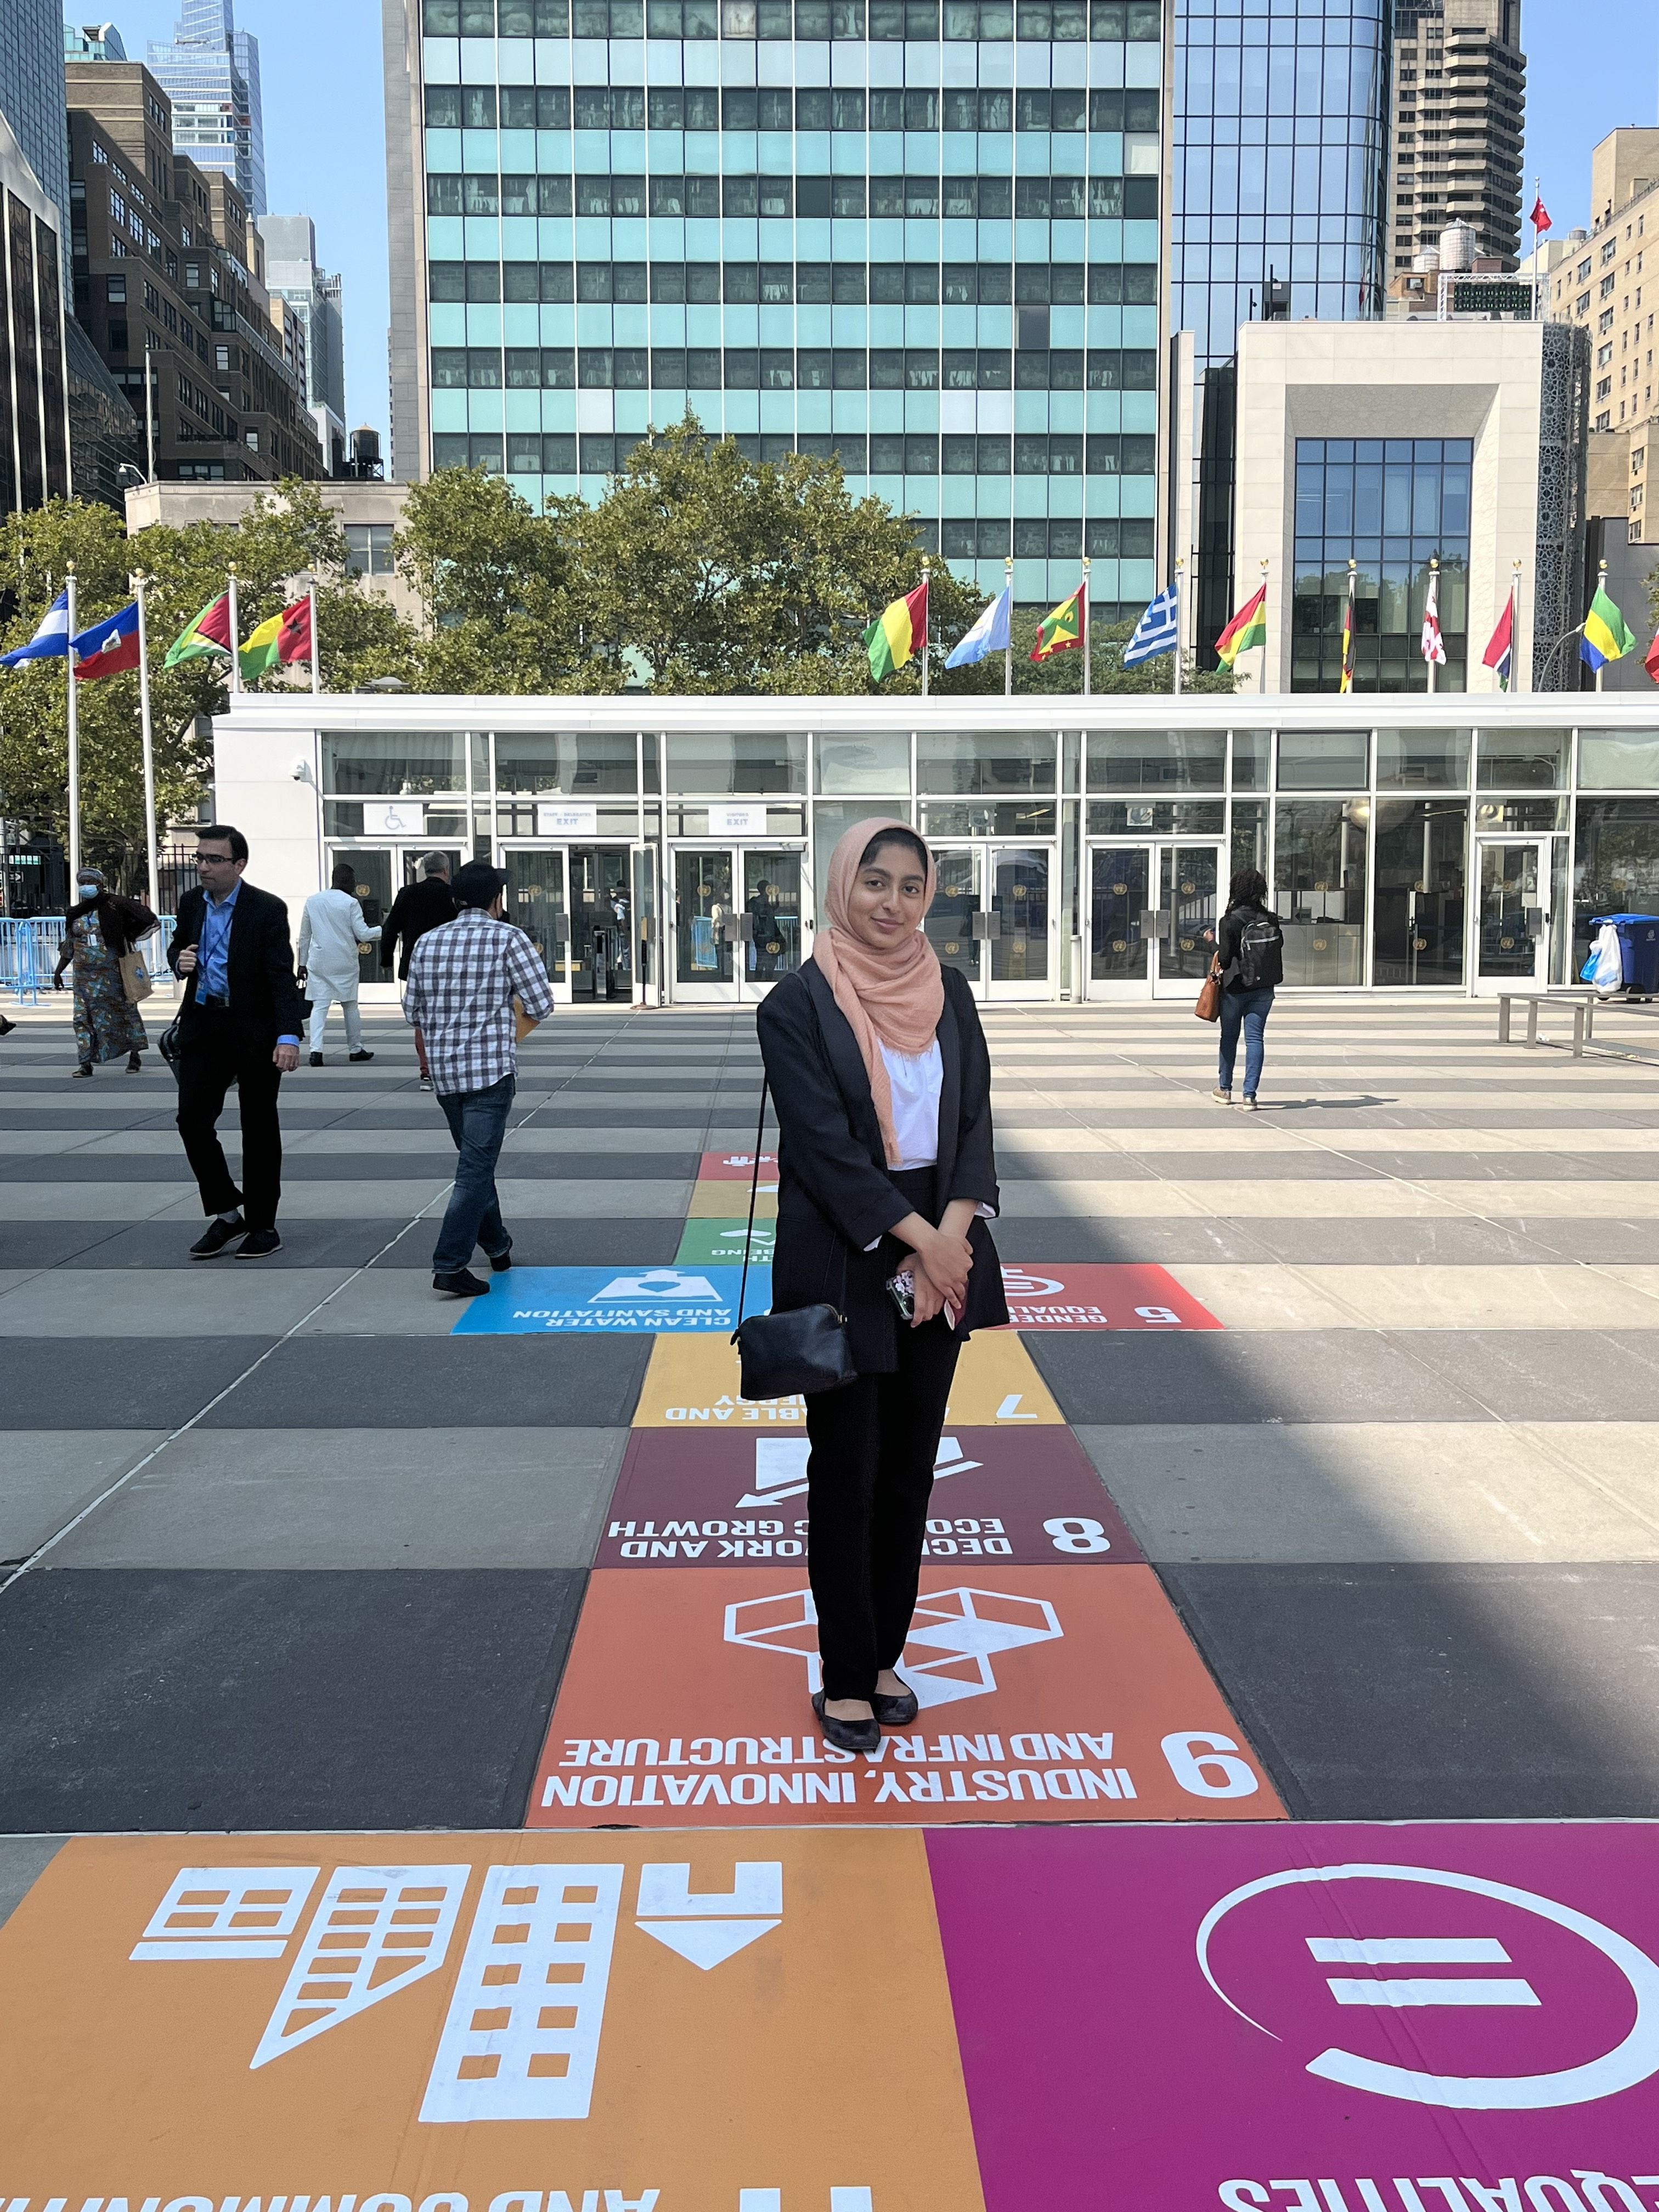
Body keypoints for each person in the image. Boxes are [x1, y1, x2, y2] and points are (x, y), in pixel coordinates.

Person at [756, 818, 1007, 1755]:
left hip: (937, 1246)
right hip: (843, 1252)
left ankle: (886, 1653)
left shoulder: (949, 993)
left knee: (908, 1470)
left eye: (910, 886)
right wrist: (919, 1242)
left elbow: (975, 1120)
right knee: (846, 1470)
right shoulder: (794, 1004)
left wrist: (948, 1236)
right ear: (839, 885)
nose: (892, 904)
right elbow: (822, 1149)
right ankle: (844, 1671)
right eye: (875, 882)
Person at [404, 858, 554, 1297]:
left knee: (476, 1164)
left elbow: (412, 1011)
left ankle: (498, 1246)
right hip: (490, 1071)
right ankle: (449, 1263)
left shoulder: (428, 942)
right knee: (474, 1169)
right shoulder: (509, 938)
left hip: (446, 1074)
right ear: (496, 899)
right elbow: (542, 1004)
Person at [167, 825, 305, 1259]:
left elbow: (282, 975)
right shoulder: (191, 903)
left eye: (214, 860)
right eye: (200, 859)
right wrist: (179, 961)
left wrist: (288, 1035)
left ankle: (263, 1225)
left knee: (259, 1127)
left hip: (255, 1031)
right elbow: (177, 948)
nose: (203, 867)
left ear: (239, 864)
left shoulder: (266, 909)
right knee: (191, 1120)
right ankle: (228, 1213)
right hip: (204, 1026)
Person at [52, 867, 157, 1076]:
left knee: (124, 1013)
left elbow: (146, 918)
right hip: (83, 977)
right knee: (82, 1018)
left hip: (112, 974)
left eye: (90, 882)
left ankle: (134, 1054)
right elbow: (70, 945)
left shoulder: (114, 906)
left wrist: (128, 934)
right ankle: (85, 1063)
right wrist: (58, 971)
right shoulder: (76, 913)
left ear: (100, 884)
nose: (86, 886)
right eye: (82, 882)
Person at [380, 852, 458, 1089]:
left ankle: (426, 1072)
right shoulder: (452, 895)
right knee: (449, 1017)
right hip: (448, 965)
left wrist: (386, 960)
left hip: (416, 965)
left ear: (424, 871)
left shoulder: (407, 894)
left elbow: (390, 928)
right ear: (446, 871)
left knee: (422, 1020)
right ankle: (447, 1067)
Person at [1211, 866, 1284, 1114]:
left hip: (1234, 988)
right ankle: (1250, 1096)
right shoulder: (1270, 919)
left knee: (1229, 1037)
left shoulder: (1229, 921)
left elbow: (1226, 960)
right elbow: (1278, 946)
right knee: (1255, 1039)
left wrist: (1214, 944)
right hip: (1264, 988)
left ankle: (1225, 1088)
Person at [298, 862, 381, 1066]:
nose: (355, 884)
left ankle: (315, 1051)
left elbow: (305, 935)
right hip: (345, 961)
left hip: (319, 961)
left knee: (319, 1006)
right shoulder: (351, 903)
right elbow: (362, 934)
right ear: (345, 880)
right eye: (353, 880)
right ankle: (355, 1049)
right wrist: (385, 930)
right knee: (350, 1005)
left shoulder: (313, 901)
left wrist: (301, 964)